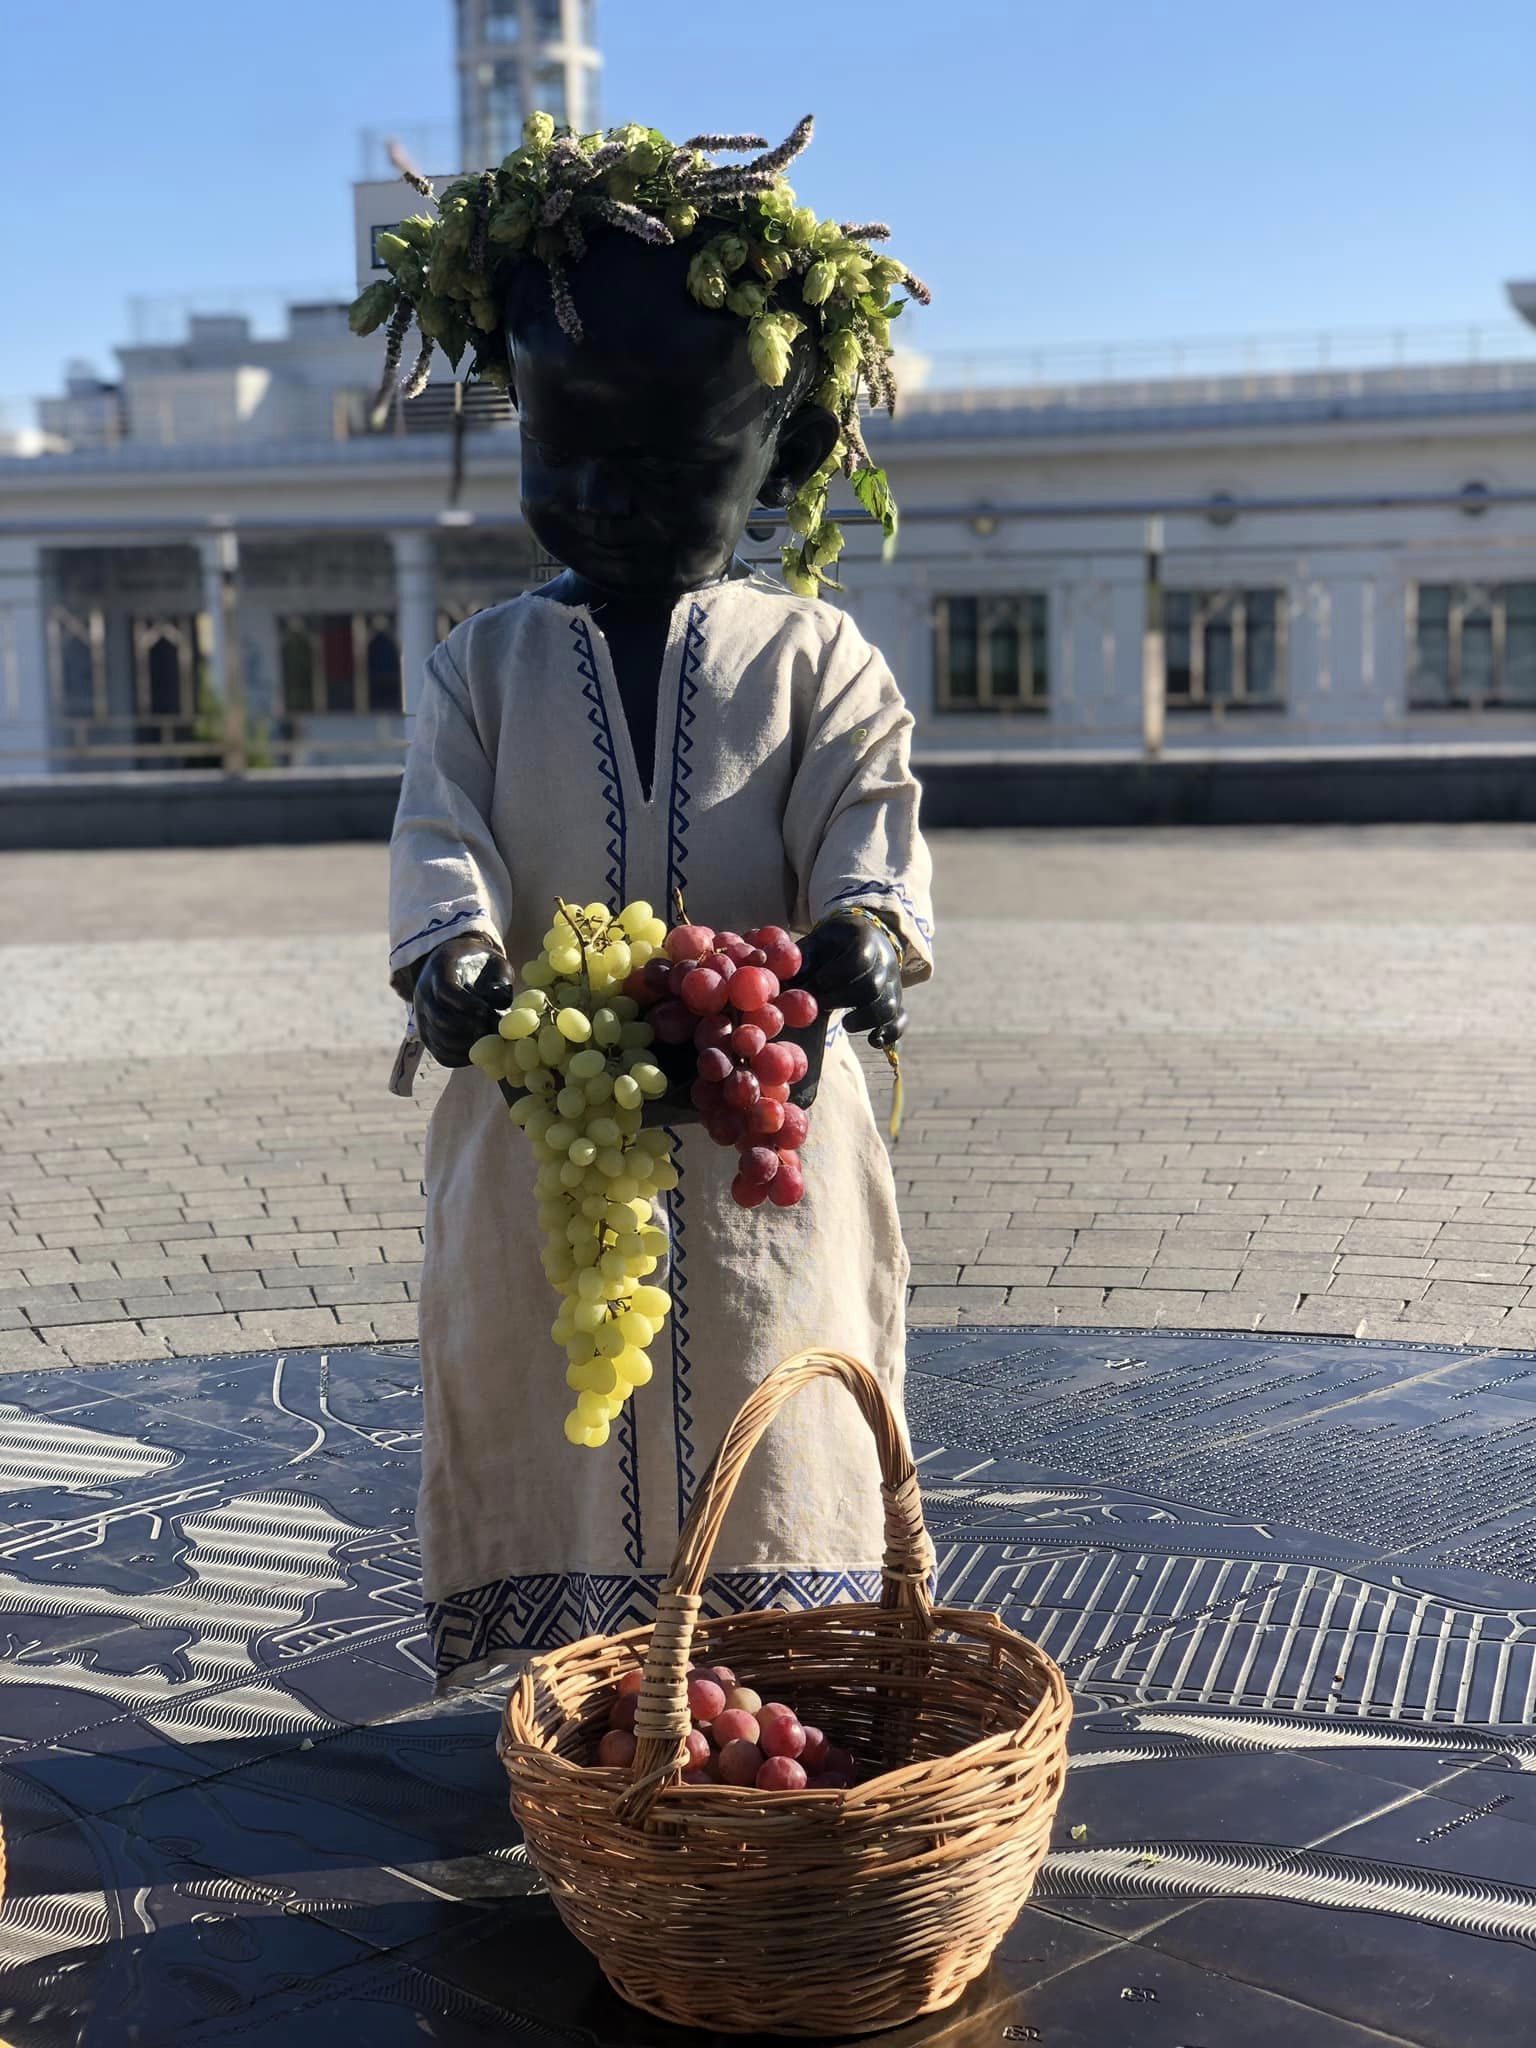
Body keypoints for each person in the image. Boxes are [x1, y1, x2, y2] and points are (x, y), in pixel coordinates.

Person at [369, 114, 936, 1688]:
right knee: (547, 1376)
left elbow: (868, 825)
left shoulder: (819, 658)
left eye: (670, 460)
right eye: (570, 450)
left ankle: (776, 1678)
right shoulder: (480, 662)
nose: (609, 495)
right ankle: (579, 1701)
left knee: (776, 1372)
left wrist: (863, 939)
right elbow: (444, 831)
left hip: (761, 1119)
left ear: (785, 458)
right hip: (546, 1122)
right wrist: (456, 955)